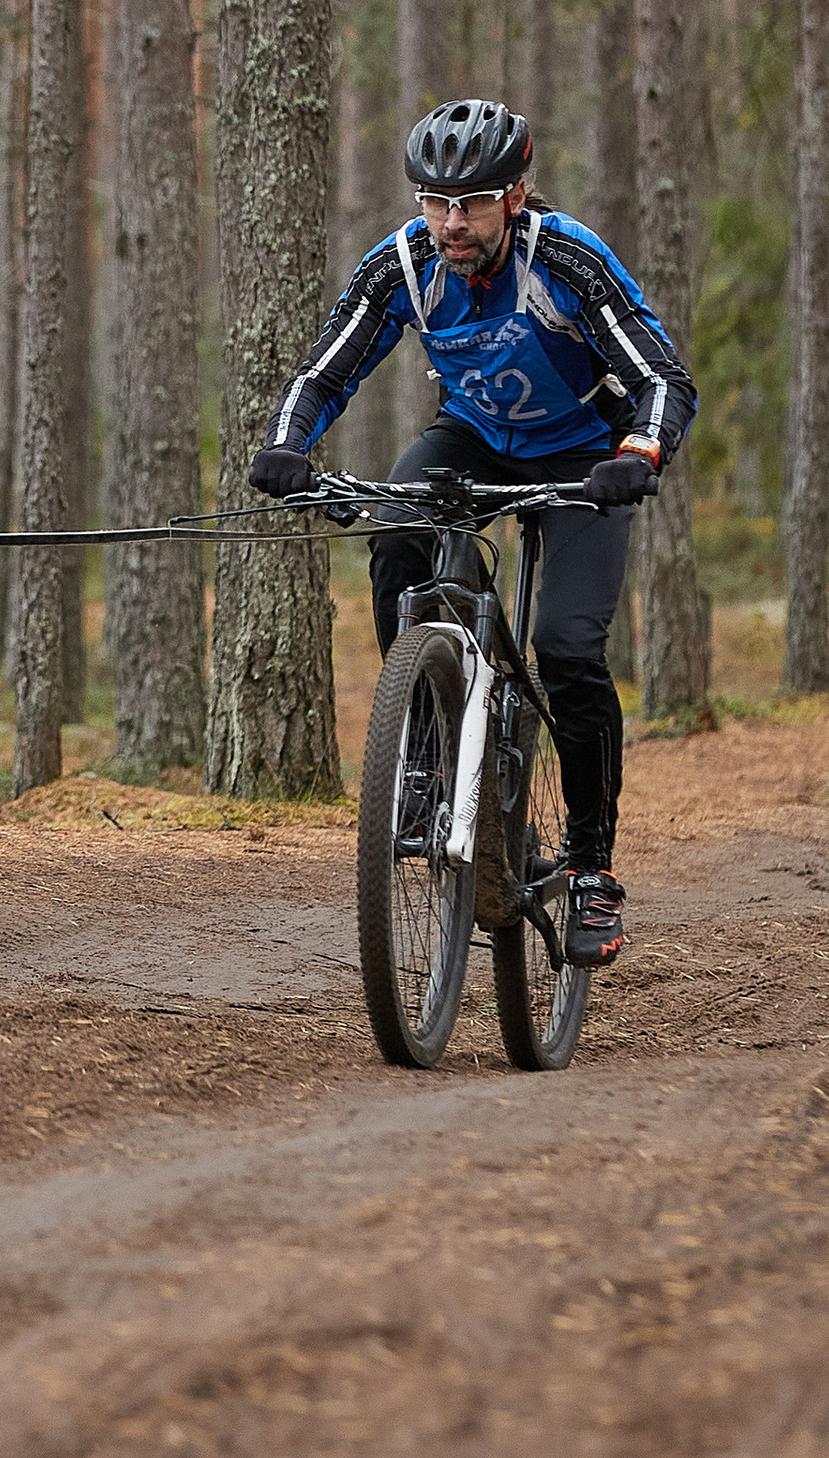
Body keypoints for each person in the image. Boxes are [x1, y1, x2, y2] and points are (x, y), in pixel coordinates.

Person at [248, 98, 696, 968]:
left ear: (515, 196)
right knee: (397, 530)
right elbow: (325, 369)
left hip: (584, 456)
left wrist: (640, 451)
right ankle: (421, 755)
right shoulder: (406, 266)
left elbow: (661, 375)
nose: (452, 223)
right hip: (478, 436)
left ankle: (594, 870)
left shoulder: (564, 259)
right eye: (436, 202)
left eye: (474, 202)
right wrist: (285, 448)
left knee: (567, 647)